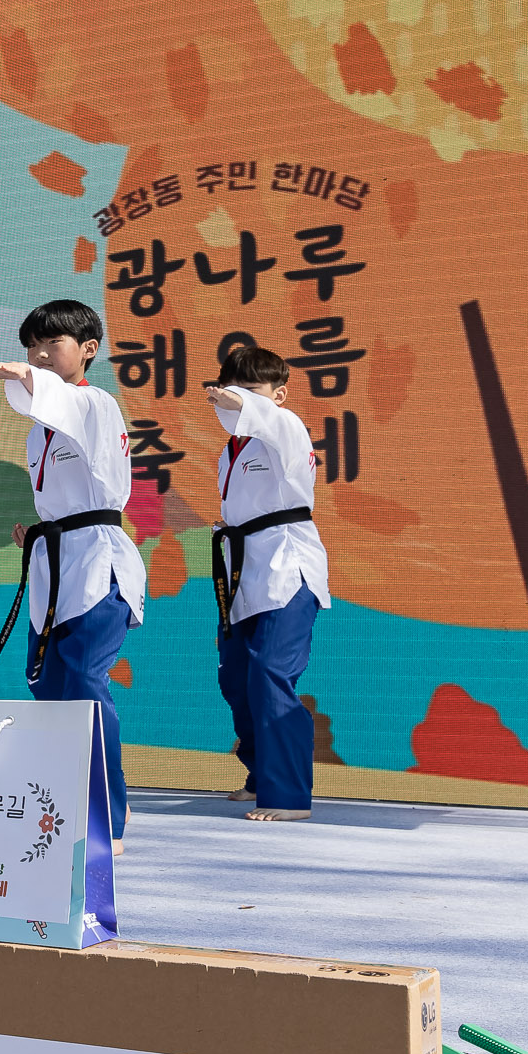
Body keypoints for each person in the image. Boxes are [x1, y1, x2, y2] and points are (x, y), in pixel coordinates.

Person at [0, 299, 145, 843]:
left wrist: (22, 373)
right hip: (58, 560)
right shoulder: (40, 432)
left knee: (81, 684)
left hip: (98, 563)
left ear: (89, 351)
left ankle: (103, 822)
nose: (40, 354)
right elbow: (67, 499)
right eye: (32, 347)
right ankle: (64, 814)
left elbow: (96, 499)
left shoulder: (95, 402)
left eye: (53, 344)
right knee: (51, 690)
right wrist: (41, 530)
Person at [206, 344, 332, 824]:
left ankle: (288, 795)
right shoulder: (231, 450)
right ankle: (261, 772)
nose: (236, 398)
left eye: (250, 389)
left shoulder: (287, 427)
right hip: (243, 571)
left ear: (278, 395)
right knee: (236, 678)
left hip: (287, 565)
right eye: (229, 388)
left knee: (270, 674)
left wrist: (244, 403)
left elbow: (267, 419)